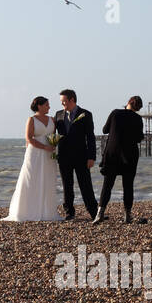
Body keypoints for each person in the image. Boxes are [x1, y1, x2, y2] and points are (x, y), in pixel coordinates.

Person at [2, 97, 61, 221]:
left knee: (48, 178)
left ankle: (47, 211)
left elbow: (53, 135)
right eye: (46, 105)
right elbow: (29, 138)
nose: (49, 107)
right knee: (31, 178)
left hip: (49, 153)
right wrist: (45, 147)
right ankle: (27, 210)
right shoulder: (32, 119)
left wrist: (54, 145)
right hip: (35, 152)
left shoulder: (52, 120)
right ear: (39, 106)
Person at [93, 96, 146, 225]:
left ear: (128, 102)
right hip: (130, 155)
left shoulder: (116, 113)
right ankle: (127, 215)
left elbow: (105, 130)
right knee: (128, 185)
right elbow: (139, 138)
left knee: (108, 184)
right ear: (138, 107)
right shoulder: (138, 118)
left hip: (113, 153)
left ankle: (100, 213)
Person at [54, 89, 97, 221]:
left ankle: (94, 212)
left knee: (85, 185)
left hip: (81, 156)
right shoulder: (58, 115)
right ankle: (69, 212)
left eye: (64, 102)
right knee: (67, 185)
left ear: (72, 100)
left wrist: (92, 157)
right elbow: (53, 135)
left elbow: (90, 137)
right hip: (63, 156)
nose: (62, 104)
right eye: (61, 102)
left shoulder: (86, 114)